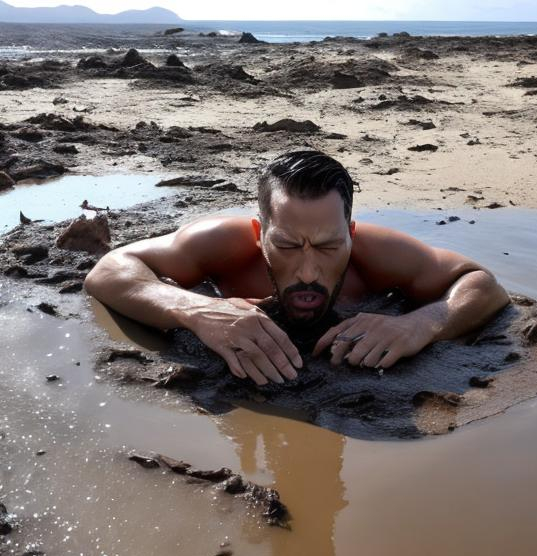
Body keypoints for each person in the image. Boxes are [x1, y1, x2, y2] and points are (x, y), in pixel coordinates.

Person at [85, 150, 509, 386]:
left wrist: (421, 324)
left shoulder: (377, 255)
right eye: (287, 244)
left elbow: (482, 284)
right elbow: (111, 269)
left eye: (328, 246)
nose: (308, 270)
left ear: (351, 232)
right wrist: (196, 311)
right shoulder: (223, 245)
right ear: (258, 232)